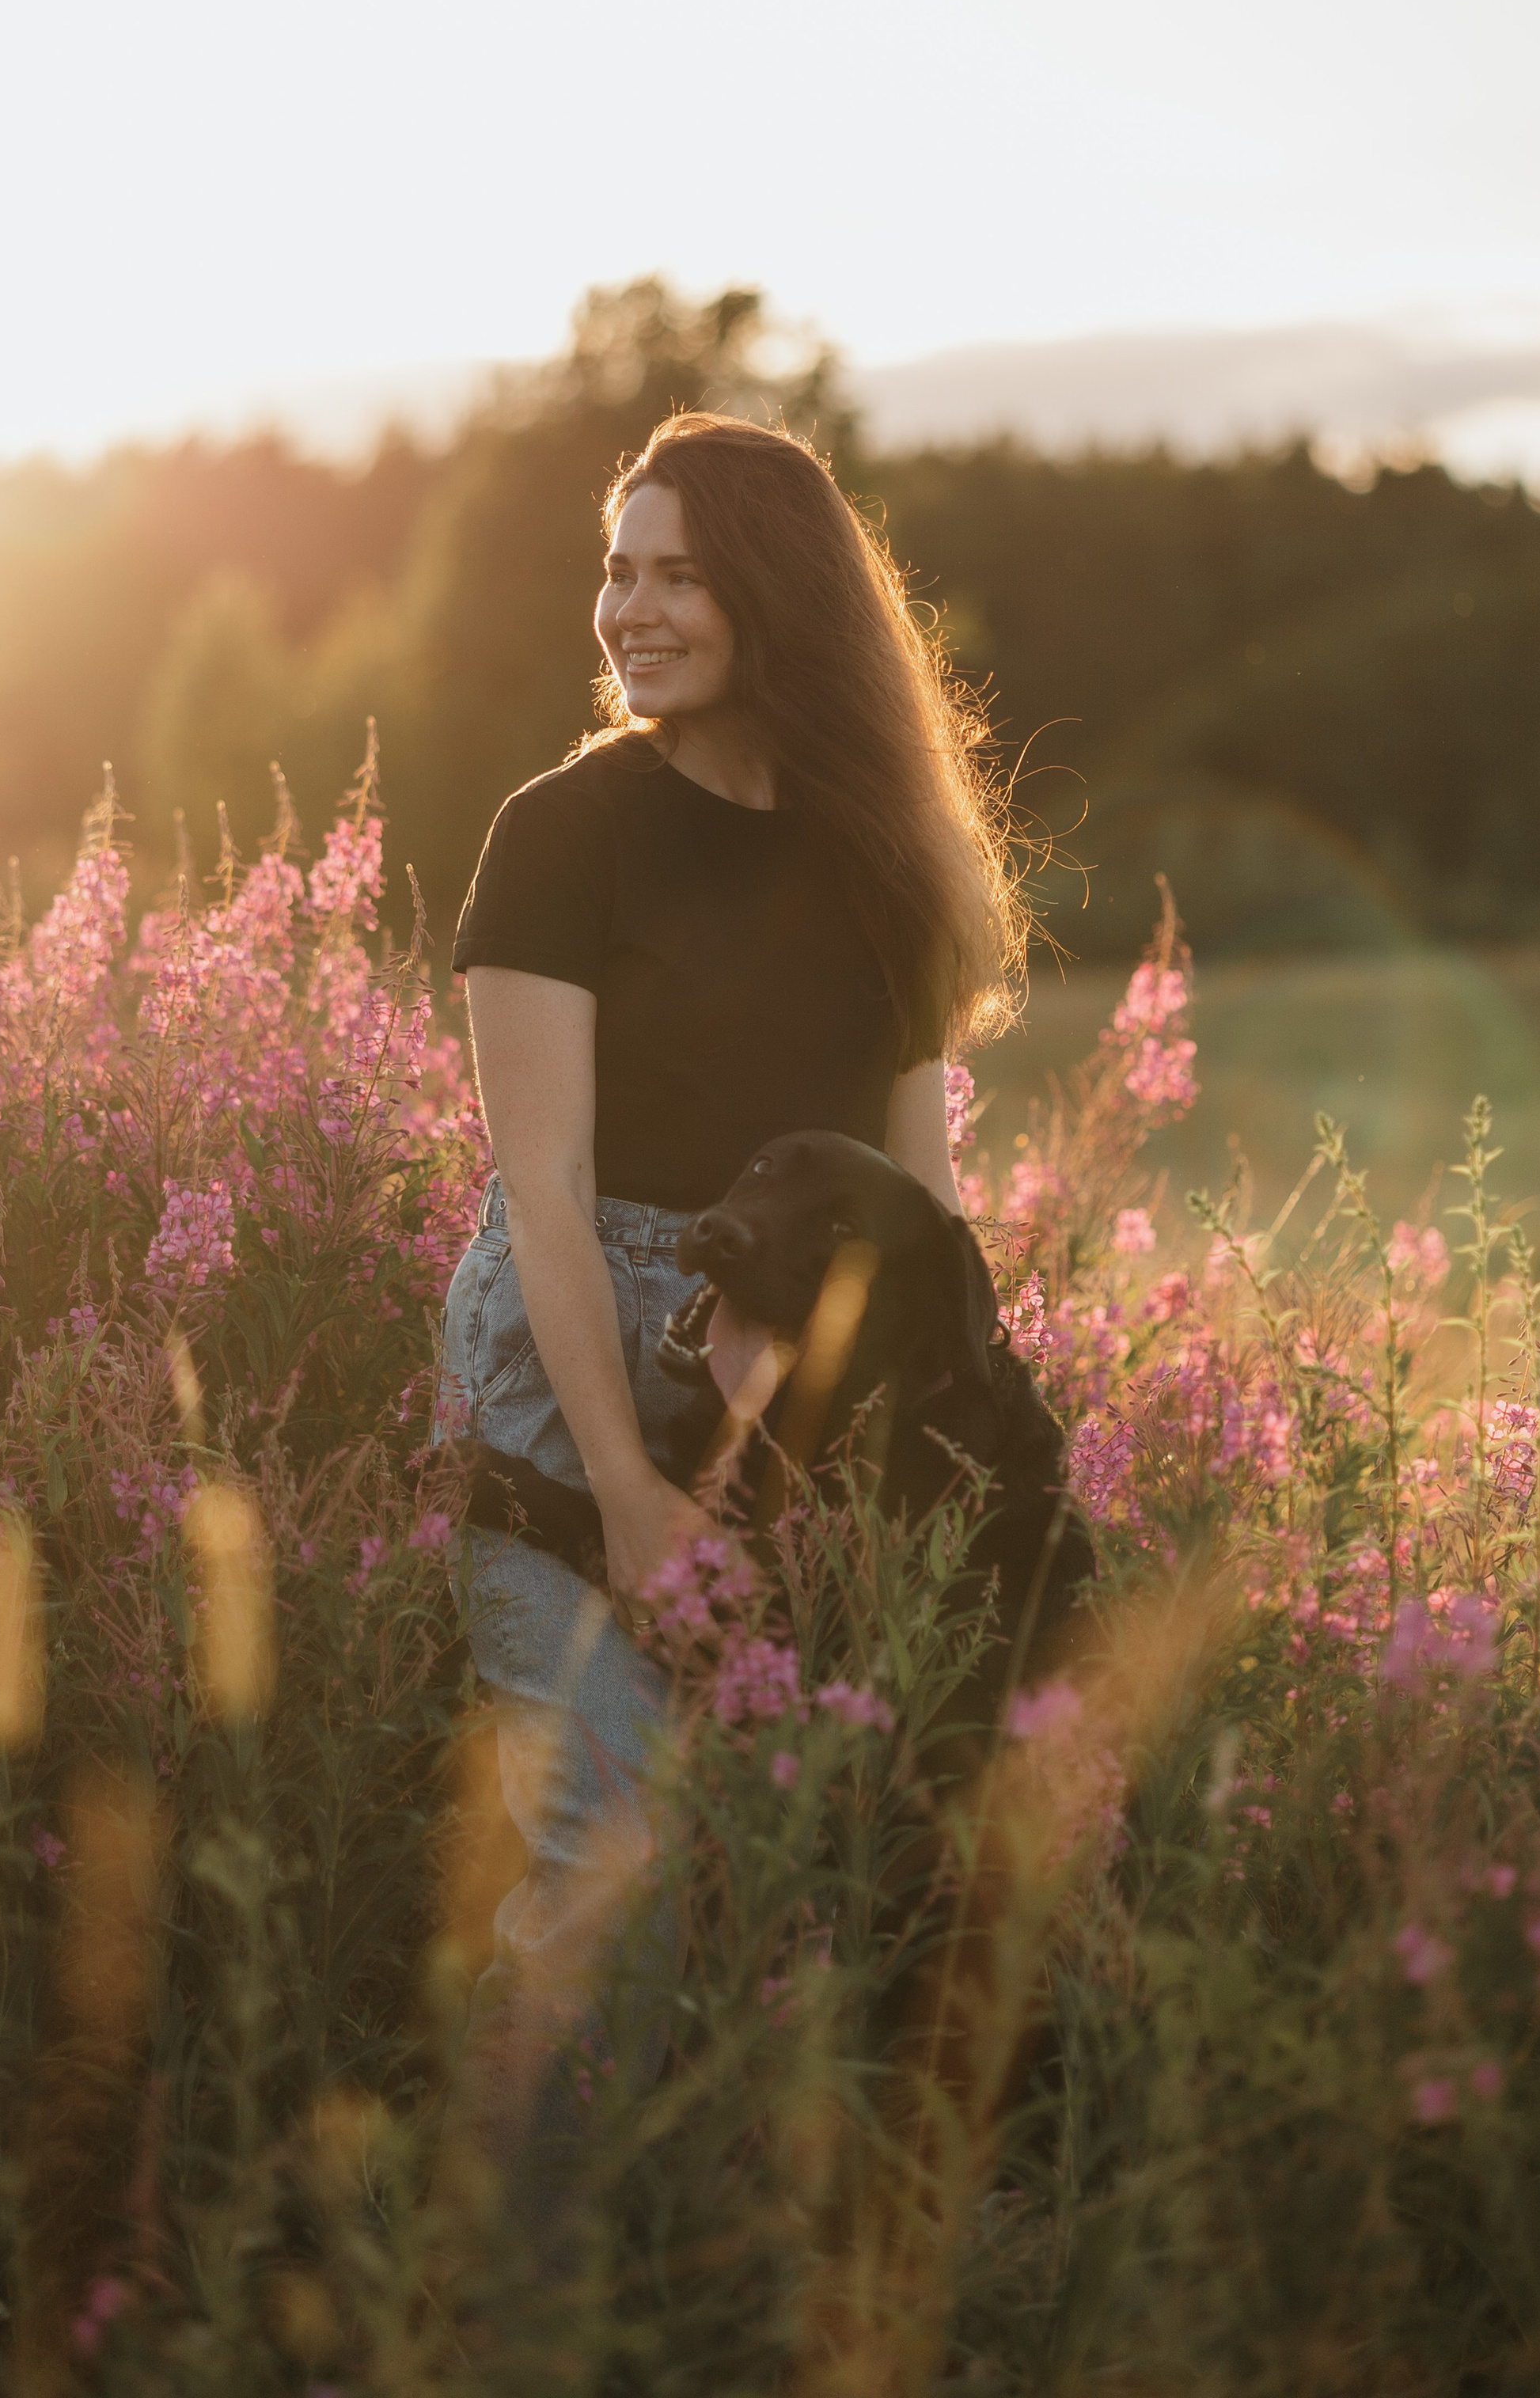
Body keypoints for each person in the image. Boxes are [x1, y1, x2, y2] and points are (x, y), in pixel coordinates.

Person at [434, 409, 1026, 2203]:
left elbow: (922, 1210)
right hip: (574, 1382)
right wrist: (625, 1488)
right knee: (614, 1868)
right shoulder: (561, 835)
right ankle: (517, 2300)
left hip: (804, 1404)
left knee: (785, 1892)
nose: (631, 607)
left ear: (779, 595)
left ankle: (699, 2280)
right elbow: (540, 1190)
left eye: (679, 573)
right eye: (618, 570)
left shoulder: (884, 868)